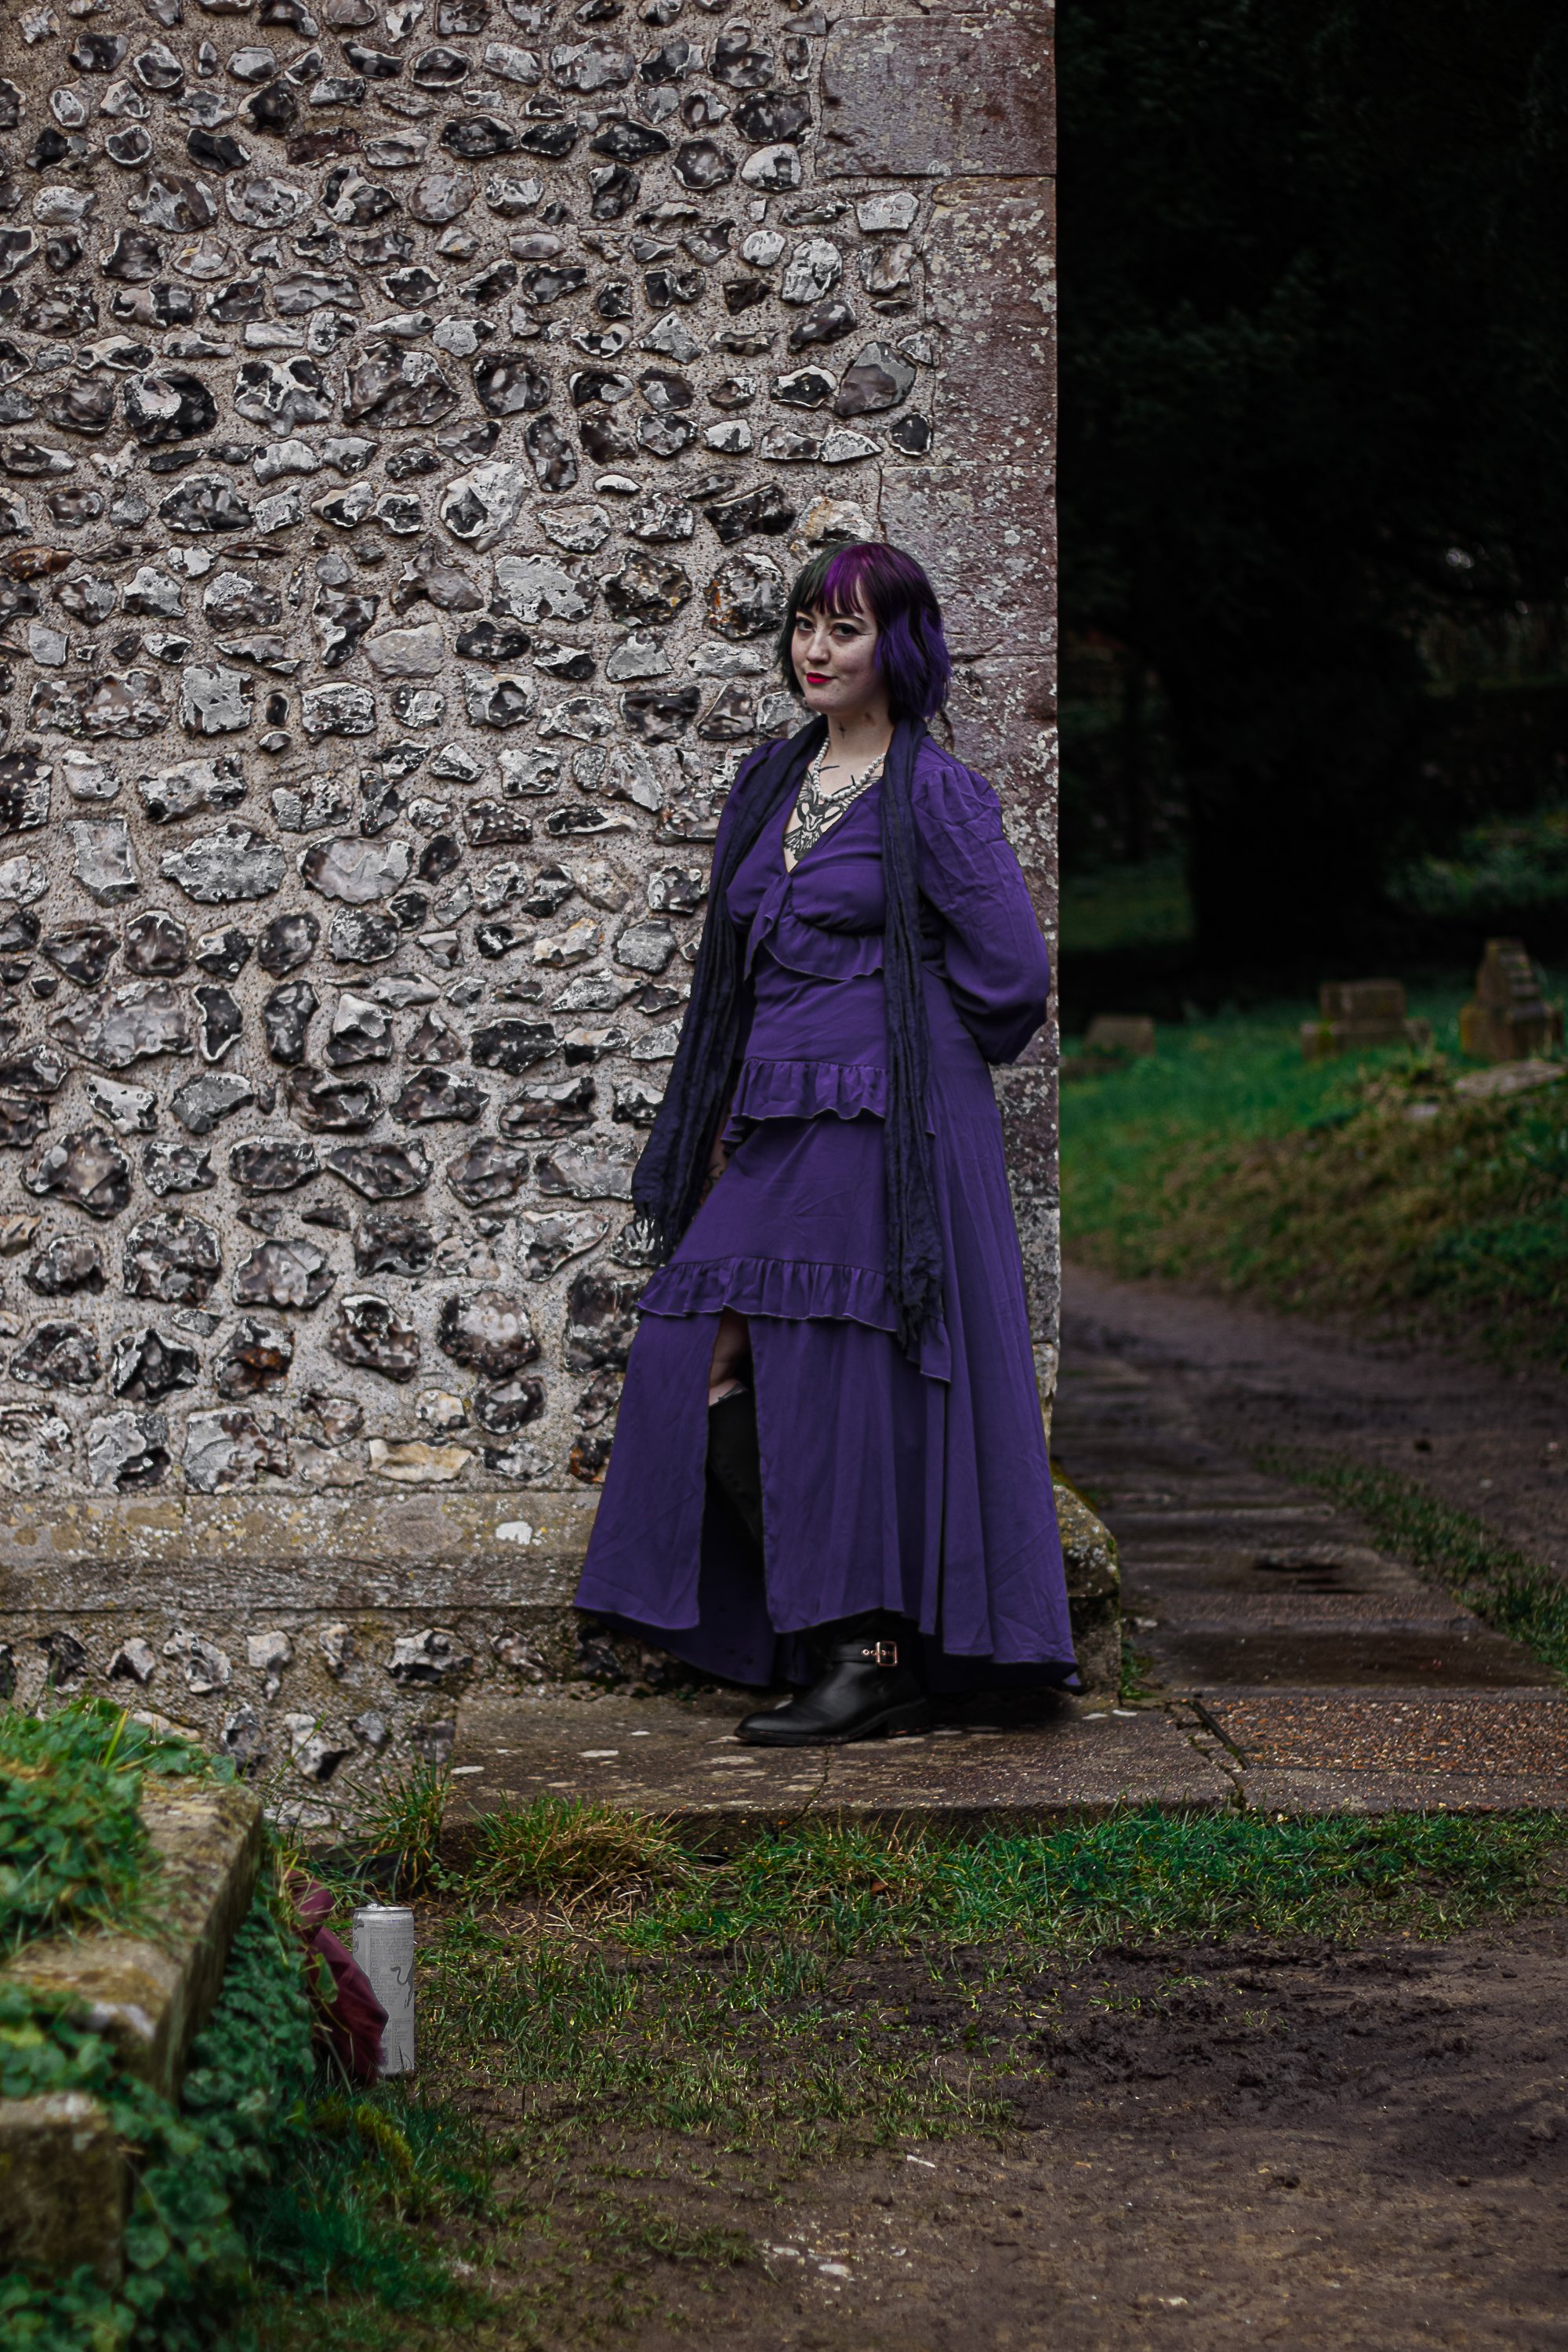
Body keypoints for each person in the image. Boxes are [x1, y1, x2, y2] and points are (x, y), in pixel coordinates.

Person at [574, 539, 1075, 1744]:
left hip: (887, 1117)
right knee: (692, 1349)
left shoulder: (935, 791)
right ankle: (839, 1639)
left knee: (840, 1375)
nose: (815, 648)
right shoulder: (772, 781)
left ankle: (868, 1655)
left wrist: (897, 1050)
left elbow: (1012, 978)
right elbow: (737, 973)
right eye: (804, 623)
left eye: (843, 629)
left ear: (894, 646)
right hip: (777, 1114)